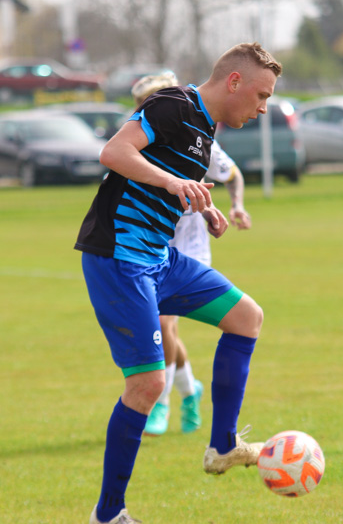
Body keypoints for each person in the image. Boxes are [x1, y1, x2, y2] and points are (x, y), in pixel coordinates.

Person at [76, 42, 282, 524]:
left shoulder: (205, 131)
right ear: (234, 82)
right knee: (147, 384)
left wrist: (204, 207)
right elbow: (115, 152)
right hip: (120, 258)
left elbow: (168, 182)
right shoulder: (173, 104)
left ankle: (222, 445)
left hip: (159, 258)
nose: (263, 108)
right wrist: (173, 185)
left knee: (246, 317)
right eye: (261, 95)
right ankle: (108, 514)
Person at [129, 73, 253, 438]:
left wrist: (237, 207)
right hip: (151, 247)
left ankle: (161, 402)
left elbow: (233, 175)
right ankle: (189, 390)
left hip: (191, 251)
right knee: (166, 331)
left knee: (164, 326)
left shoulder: (201, 143)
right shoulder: (139, 145)